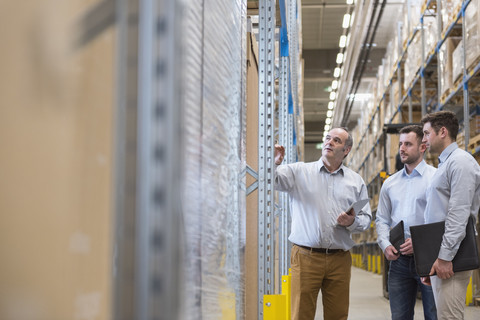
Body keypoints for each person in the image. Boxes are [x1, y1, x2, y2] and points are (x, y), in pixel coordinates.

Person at [274, 127, 372, 320]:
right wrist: (273, 163)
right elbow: (270, 181)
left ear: (346, 150)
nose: (329, 142)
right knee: (301, 313)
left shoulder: (355, 181)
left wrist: (352, 221)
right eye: (327, 138)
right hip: (305, 257)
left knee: (338, 315)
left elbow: (366, 219)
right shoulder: (298, 171)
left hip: (339, 259)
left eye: (336, 140)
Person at [420, 111, 480, 319]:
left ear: (442, 132)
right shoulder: (445, 165)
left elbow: (458, 214)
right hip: (441, 258)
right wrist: (432, 261)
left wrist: (445, 258)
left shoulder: (460, 162)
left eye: (427, 134)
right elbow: (437, 214)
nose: (424, 139)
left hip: (453, 258)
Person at [375, 125, 437, 320]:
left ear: (422, 146)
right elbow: (382, 219)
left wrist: (421, 242)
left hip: (429, 259)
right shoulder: (390, 183)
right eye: (401, 144)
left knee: (434, 315)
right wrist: (385, 244)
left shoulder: (436, 179)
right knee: (399, 316)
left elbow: (445, 221)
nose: (402, 148)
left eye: (408, 144)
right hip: (399, 261)